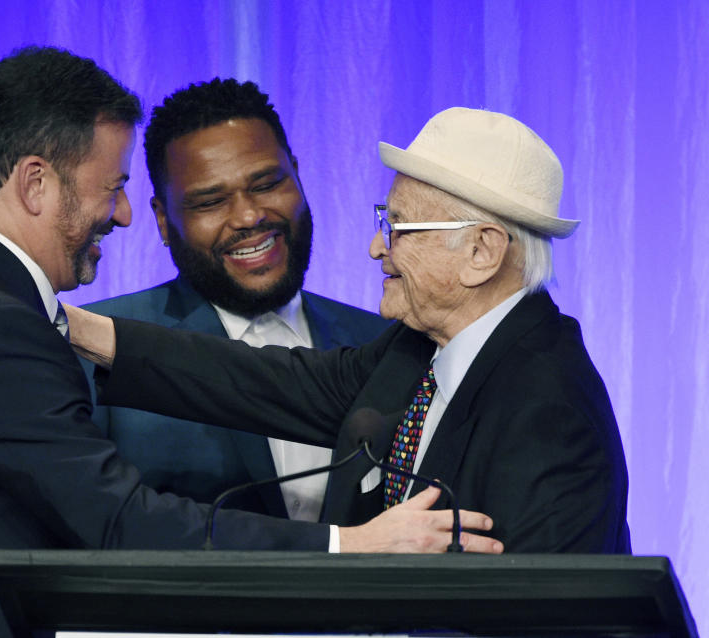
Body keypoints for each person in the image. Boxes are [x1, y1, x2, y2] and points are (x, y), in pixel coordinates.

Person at [0, 50, 502, 638]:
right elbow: (118, 522)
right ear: (35, 185)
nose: (119, 214)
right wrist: (352, 547)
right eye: (111, 186)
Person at [67, 106, 632, 553]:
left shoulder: (547, 405)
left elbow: (538, 616)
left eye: (399, 227)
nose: (375, 248)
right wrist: (73, 325)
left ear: (482, 251)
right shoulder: (417, 353)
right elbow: (269, 382)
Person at [82, 78, 388, 523]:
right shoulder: (101, 347)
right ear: (163, 221)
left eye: (267, 184)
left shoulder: (384, 342)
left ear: (299, 177)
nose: (249, 216)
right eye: (211, 202)